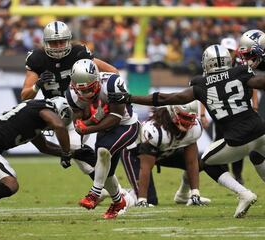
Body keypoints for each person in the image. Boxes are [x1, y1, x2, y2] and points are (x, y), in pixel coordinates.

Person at [108, 44, 265, 218]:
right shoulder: (241, 72)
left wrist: (130, 97)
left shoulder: (201, 84)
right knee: (258, 155)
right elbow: (260, 82)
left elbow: (165, 98)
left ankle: (244, 193)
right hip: (261, 131)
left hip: (237, 138)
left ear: (207, 63)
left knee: (206, 162)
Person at [21, 20, 157, 202]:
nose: (59, 46)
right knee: (81, 157)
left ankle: (111, 192)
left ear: (68, 40)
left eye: (62, 41)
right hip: (60, 113)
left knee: (80, 151)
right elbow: (25, 95)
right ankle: (112, 192)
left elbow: (112, 72)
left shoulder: (78, 53)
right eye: (54, 43)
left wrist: (100, 100)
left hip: (81, 110)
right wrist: (38, 85)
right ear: (46, 43)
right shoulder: (38, 59)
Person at [66, 59, 139, 219]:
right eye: (82, 91)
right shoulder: (71, 93)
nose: (86, 94)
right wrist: (89, 121)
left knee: (103, 151)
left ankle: (94, 193)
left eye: (90, 89)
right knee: (108, 173)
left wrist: (90, 126)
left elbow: (115, 117)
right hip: (105, 129)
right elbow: (78, 123)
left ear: (97, 79)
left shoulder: (112, 82)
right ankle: (119, 202)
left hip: (126, 126)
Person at [200, 37, 259, 185]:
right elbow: (201, 92)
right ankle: (227, 176)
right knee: (220, 142)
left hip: (240, 111)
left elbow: (254, 85)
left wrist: (255, 105)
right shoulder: (210, 67)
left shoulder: (241, 65)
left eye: (231, 51)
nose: (229, 54)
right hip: (221, 112)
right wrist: (202, 114)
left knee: (239, 143)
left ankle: (237, 175)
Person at [135, 101, 210, 207]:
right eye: (183, 117)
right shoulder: (155, 131)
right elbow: (145, 167)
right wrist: (142, 200)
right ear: (173, 113)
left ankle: (185, 195)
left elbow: (192, 162)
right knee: (150, 200)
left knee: (201, 160)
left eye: (189, 118)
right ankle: (123, 193)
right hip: (136, 155)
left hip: (165, 151)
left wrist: (195, 194)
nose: (187, 122)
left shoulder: (194, 129)